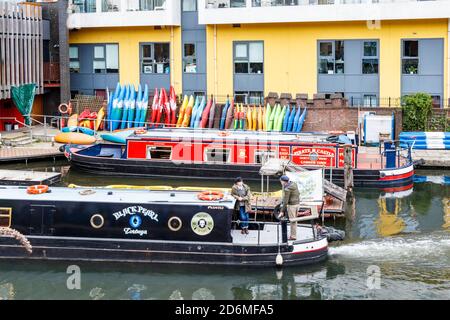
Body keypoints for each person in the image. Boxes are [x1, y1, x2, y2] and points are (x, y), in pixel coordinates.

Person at [278, 175, 300, 240]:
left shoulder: (287, 189)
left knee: (292, 221)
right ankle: (294, 234)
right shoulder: (294, 184)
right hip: (297, 204)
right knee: (295, 220)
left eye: (281, 181)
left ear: (283, 181)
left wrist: (282, 211)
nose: (280, 182)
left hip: (292, 206)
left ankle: (293, 236)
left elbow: (286, 201)